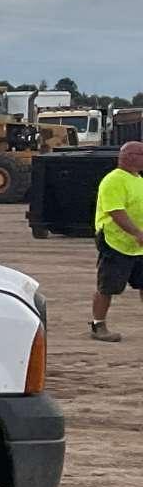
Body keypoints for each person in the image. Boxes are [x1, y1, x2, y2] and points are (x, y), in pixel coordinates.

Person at [90, 140, 143, 341]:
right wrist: (137, 233)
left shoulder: (138, 179)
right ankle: (98, 326)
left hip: (138, 246)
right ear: (129, 156)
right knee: (107, 286)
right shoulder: (113, 180)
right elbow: (116, 211)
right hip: (115, 242)